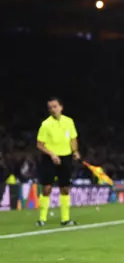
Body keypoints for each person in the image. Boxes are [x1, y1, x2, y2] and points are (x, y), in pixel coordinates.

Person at [36, 97, 80, 226]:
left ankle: (65, 219)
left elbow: (73, 138)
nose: (53, 109)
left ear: (61, 107)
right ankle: (42, 219)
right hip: (50, 158)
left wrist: (75, 151)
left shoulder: (69, 122)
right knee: (47, 188)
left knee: (65, 188)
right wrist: (52, 154)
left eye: (55, 106)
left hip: (66, 157)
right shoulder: (46, 124)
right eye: (50, 107)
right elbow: (40, 144)